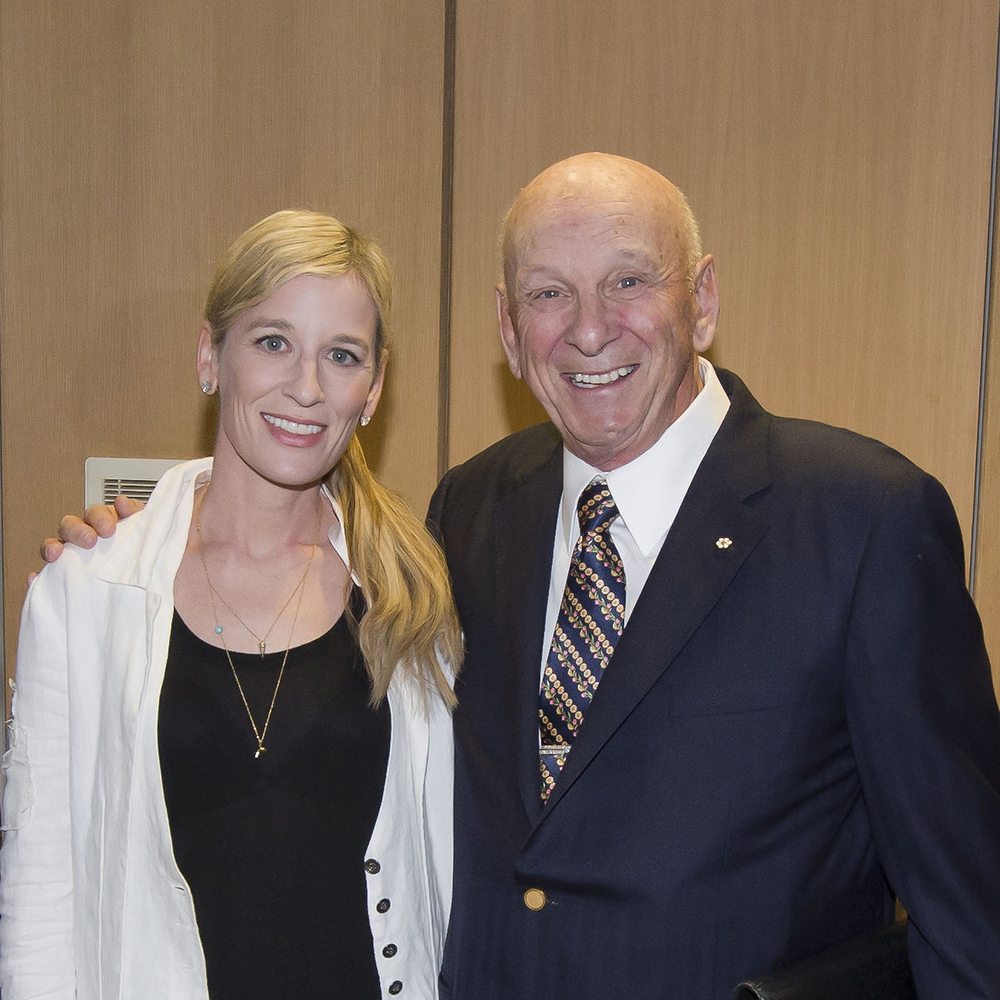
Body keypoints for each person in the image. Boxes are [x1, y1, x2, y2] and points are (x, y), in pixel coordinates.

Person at [43, 155, 1000, 999]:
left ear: (702, 300)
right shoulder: (469, 515)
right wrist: (142, 542)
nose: (589, 331)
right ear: (507, 327)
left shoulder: (861, 520)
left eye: (629, 281)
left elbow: (968, 908)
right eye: (548, 294)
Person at [1, 210, 461, 1000]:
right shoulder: (86, 595)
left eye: (341, 355)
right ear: (210, 355)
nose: (307, 388)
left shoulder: (414, 598)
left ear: (374, 388)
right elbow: (41, 895)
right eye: (273, 342)